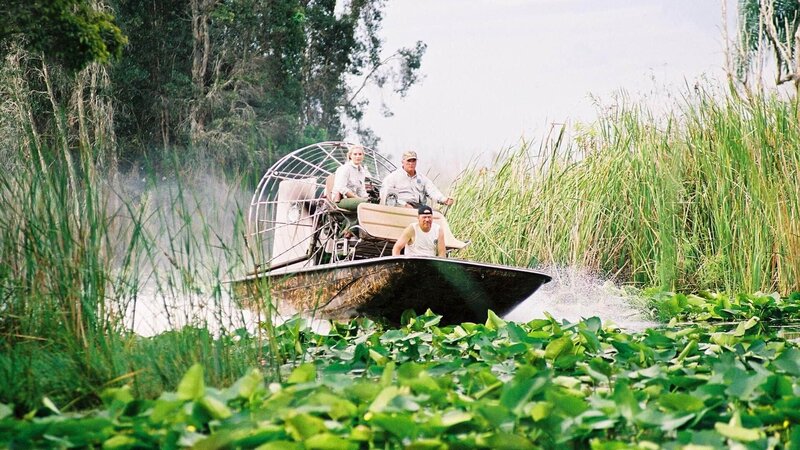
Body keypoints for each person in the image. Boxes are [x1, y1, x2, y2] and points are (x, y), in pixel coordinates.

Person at [380, 151, 455, 208]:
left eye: (413, 161)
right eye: (409, 161)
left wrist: (444, 200)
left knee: (433, 214)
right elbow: (385, 194)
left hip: (419, 208)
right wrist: (403, 205)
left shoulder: (422, 178)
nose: (411, 163)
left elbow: (432, 191)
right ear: (402, 162)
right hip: (401, 209)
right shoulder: (393, 177)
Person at [332, 144, 371, 211]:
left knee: (371, 203)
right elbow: (341, 187)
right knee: (364, 204)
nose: (357, 156)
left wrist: (367, 197)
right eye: (355, 154)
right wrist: (357, 198)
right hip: (342, 199)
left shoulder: (362, 171)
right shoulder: (345, 168)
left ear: (363, 156)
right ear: (350, 156)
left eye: (360, 154)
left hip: (354, 199)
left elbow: (361, 190)